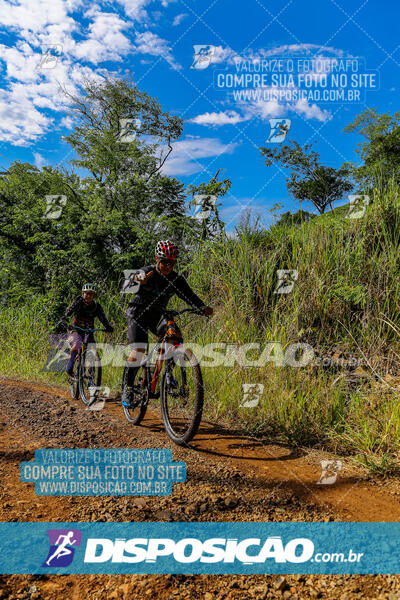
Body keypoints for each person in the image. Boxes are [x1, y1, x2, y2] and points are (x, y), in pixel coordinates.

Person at [123, 240, 213, 406]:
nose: (167, 266)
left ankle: (169, 374)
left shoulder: (176, 279)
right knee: (139, 350)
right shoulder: (147, 272)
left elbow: (189, 296)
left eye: (171, 263)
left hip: (157, 314)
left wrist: (202, 307)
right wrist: (137, 279)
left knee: (174, 335)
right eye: (164, 262)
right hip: (138, 313)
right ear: (157, 259)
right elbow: (126, 285)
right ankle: (127, 388)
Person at [57, 283, 114, 378]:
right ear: (82, 294)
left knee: (92, 351)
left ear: (94, 296)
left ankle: (92, 379)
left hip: (89, 330)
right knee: (76, 346)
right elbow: (68, 313)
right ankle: (69, 368)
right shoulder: (78, 302)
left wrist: (108, 327)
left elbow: (102, 318)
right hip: (76, 328)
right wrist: (70, 310)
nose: (88, 296)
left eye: (91, 294)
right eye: (86, 293)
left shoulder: (96, 306)